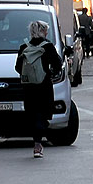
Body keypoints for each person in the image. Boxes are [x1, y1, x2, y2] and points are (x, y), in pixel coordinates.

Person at [15, 20, 61, 158]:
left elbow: (18, 67)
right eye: (46, 30)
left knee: (33, 113)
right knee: (44, 113)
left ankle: (36, 142)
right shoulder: (48, 47)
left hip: (28, 87)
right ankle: (38, 141)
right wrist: (50, 73)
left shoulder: (24, 47)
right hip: (44, 86)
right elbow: (57, 64)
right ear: (43, 31)